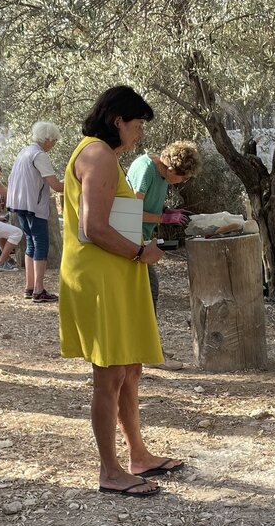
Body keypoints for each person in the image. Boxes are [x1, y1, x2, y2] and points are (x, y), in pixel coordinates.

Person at [58, 86, 184, 498]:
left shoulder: (102, 155)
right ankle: (110, 471)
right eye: (138, 123)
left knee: (130, 369)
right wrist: (140, 252)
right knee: (109, 375)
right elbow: (93, 227)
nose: (141, 133)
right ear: (118, 121)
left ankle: (138, 456)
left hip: (117, 274)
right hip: (102, 278)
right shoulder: (97, 155)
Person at [126, 140, 202, 370]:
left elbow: (149, 204)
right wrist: (162, 218)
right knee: (149, 291)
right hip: (129, 240)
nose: (184, 181)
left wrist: (167, 212)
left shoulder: (160, 174)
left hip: (140, 237)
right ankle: (148, 353)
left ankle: (146, 348)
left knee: (148, 292)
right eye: (183, 176)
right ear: (171, 168)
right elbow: (132, 211)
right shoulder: (147, 169)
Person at [7, 121, 65, 303]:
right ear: (47, 139)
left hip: (18, 203)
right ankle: (39, 290)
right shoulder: (39, 155)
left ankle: (29, 287)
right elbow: (55, 185)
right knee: (40, 244)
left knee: (30, 243)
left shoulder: (24, 152)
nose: (53, 144)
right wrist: (77, 184)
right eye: (54, 141)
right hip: (34, 205)